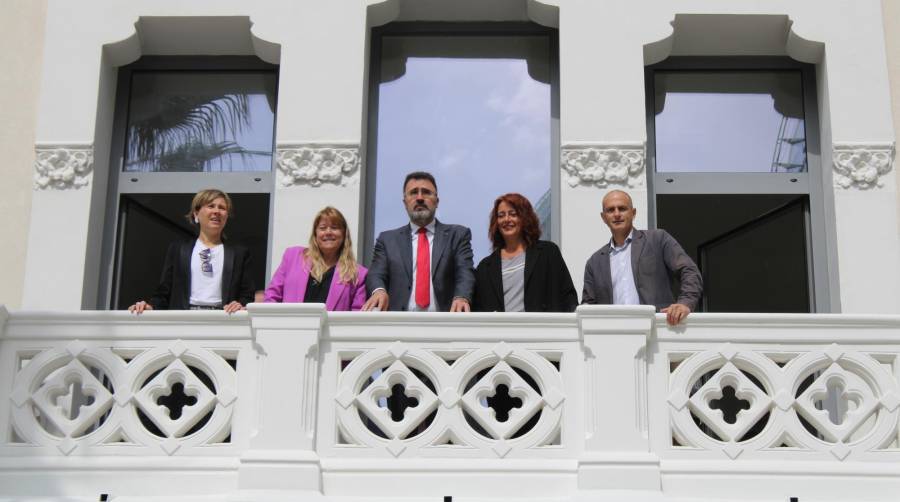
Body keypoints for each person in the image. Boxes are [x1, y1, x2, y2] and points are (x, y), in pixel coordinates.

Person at [582, 190, 702, 325]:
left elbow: (689, 270)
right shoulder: (595, 262)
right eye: (610, 210)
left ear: (633, 213)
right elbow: (588, 306)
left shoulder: (657, 239)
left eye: (622, 208)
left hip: (657, 331)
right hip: (613, 334)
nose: (616, 214)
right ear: (603, 217)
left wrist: (685, 303)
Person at [363, 171, 475, 312]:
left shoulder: (457, 235)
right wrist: (379, 291)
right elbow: (376, 273)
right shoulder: (387, 240)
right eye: (414, 192)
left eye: (426, 192)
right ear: (405, 202)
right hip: (399, 324)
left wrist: (461, 297)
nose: (420, 198)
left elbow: (465, 272)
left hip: (445, 323)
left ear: (437, 201)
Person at [129, 189, 254, 314]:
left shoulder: (239, 253)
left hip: (223, 318)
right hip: (184, 319)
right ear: (196, 214)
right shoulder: (179, 249)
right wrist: (150, 306)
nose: (217, 211)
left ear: (226, 216)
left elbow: (247, 295)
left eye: (222, 208)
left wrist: (240, 305)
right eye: (211, 206)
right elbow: (164, 292)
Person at [473, 193, 577, 312]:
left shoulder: (547, 252)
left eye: (513, 214)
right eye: (501, 215)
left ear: (525, 218)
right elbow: (478, 308)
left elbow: (567, 296)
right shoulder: (485, 267)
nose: (506, 219)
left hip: (543, 328)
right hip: (501, 330)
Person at [264, 206, 368, 310]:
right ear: (315, 234)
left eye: (335, 228)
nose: (328, 232)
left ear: (344, 234)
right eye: (322, 228)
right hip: (290, 325)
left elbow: (356, 314)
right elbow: (272, 296)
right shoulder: (292, 257)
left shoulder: (358, 274)